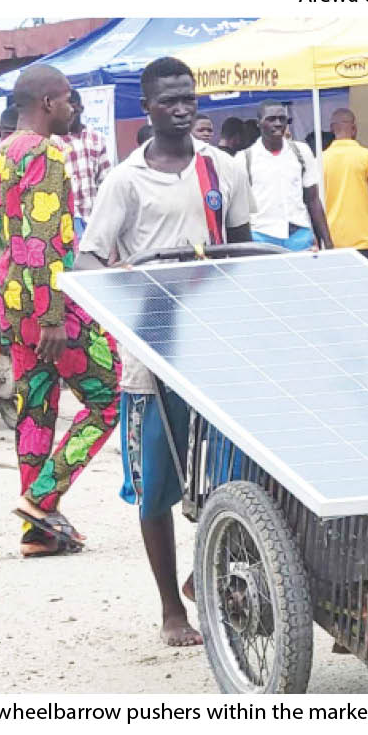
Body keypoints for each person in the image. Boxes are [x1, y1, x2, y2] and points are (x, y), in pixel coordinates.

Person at [75, 56, 251, 647]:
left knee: (238, 468)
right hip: (152, 349)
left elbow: (243, 248)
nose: (183, 107)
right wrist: (137, 284)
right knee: (155, 482)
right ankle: (170, 609)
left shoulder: (222, 168)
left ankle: (208, 577)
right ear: (146, 108)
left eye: (189, 97)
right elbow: (90, 259)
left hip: (219, 342)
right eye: (169, 99)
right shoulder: (125, 180)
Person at [0, 64, 120, 558]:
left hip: (14, 302)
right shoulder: (46, 152)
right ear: (46, 103)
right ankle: (40, 500)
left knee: (35, 410)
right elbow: (41, 241)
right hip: (50, 304)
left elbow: (9, 241)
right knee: (109, 397)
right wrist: (56, 317)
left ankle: (36, 535)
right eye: (67, 101)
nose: (72, 109)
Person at [245, 100, 332, 251]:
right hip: (261, 236)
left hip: (299, 235)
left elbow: (312, 200)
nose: (278, 123)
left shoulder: (302, 152)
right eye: (271, 119)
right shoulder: (245, 158)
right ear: (258, 123)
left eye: (282, 119)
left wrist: (328, 243)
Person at [322, 110, 368, 262]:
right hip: (363, 238)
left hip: (332, 239)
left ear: (332, 129)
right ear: (354, 128)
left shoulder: (321, 158)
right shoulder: (367, 155)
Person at [61, 89, 111, 238]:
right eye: (65, 111)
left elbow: (105, 181)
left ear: (80, 109)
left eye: (73, 110)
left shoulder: (96, 138)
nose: (69, 115)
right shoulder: (53, 141)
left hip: (94, 219)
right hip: (67, 222)